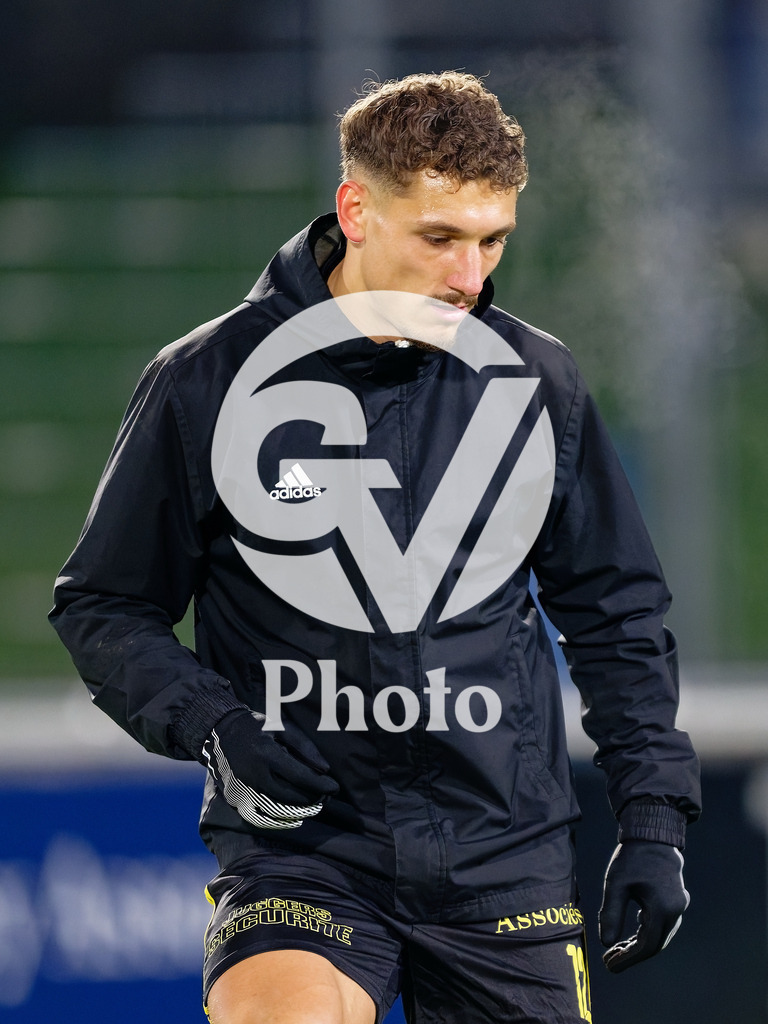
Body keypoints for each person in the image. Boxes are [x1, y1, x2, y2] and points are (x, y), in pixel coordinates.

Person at [50, 71, 701, 1024]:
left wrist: (654, 821)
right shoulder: (206, 382)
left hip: (503, 864)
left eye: (491, 242)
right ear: (355, 209)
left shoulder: (536, 381)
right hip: (305, 855)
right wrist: (222, 728)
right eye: (440, 239)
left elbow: (617, 617)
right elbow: (102, 605)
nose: (471, 277)